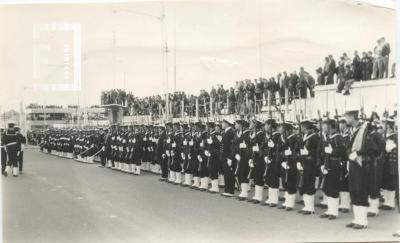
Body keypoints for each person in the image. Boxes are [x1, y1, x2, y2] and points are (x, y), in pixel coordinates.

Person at [344, 109, 381, 229]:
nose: (345, 119)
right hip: (353, 164)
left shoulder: (365, 130)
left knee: (361, 191)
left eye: (347, 117)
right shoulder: (354, 130)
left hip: (362, 165)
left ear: (353, 117)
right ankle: (357, 219)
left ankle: (363, 221)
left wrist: (359, 152)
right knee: (354, 191)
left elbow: (374, 148)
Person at [320, 119, 347, 220]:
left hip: (335, 164)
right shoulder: (328, 137)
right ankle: (330, 210)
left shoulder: (338, 137)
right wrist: (323, 164)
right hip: (328, 164)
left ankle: (334, 212)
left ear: (330, 126)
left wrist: (333, 151)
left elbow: (343, 152)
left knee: (333, 188)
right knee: (328, 188)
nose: (323, 127)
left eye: (324, 125)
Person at [297, 120, 319, 215]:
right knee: (304, 183)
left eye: (302, 127)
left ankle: (310, 208)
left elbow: (318, 150)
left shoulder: (315, 137)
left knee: (309, 184)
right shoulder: (304, 136)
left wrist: (309, 153)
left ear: (306, 127)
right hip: (304, 162)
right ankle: (306, 206)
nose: (301, 128)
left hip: (310, 163)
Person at [262, 118, 282, 207]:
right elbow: (265, 147)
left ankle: (274, 200)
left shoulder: (277, 135)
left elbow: (279, 148)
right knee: (269, 179)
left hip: (274, 160)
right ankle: (270, 198)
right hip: (268, 159)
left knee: (274, 179)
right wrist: (265, 156)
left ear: (270, 125)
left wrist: (273, 149)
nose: (265, 127)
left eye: (266, 125)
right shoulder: (269, 135)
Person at [220, 119, 236, 197]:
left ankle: (230, 191)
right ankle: (227, 190)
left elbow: (231, 146)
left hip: (228, 157)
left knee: (229, 173)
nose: (222, 124)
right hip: (225, 156)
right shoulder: (226, 132)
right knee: (226, 173)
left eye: (223, 123)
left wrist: (230, 157)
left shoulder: (231, 132)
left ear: (227, 123)